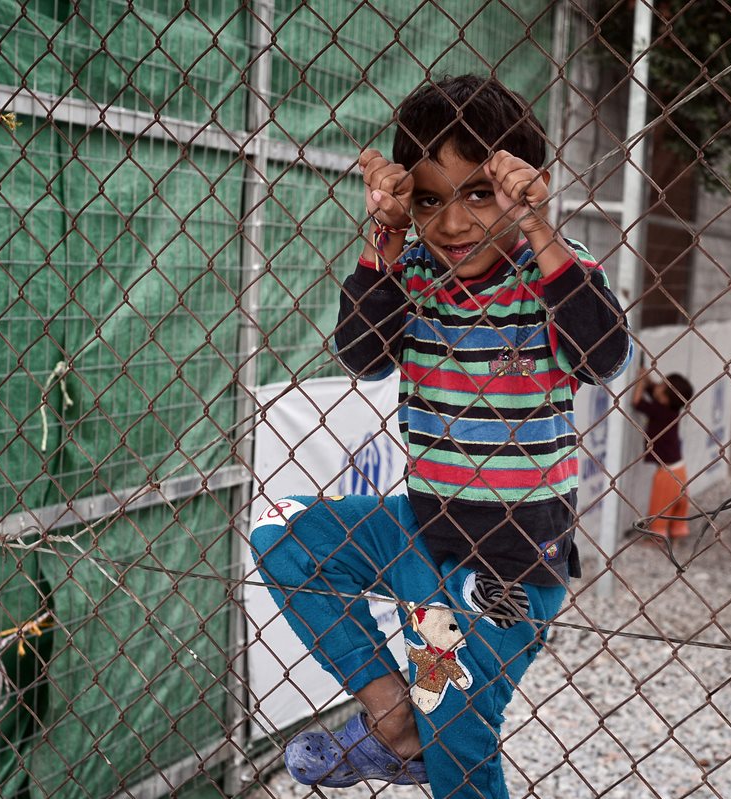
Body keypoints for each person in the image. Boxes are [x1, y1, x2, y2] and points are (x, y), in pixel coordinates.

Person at [249, 74, 631, 798]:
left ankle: (420, 730)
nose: (452, 222)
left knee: (457, 753)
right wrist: (387, 237)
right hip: (423, 530)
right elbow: (363, 355)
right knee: (282, 536)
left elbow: (604, 356)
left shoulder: (552, 272)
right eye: (430, 199)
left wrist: (542, 231)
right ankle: (393, 722)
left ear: (527, 189)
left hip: (505, 567)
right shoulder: (413, 268)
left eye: (479, 193)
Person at [631, 357, 694, 540]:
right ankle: (677, 531)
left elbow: (637, 402)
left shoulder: (661, 412)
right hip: (679, 469)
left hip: (666, 473)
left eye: (662, 385)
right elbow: (653, 390)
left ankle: (656, 537)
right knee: (677, 508)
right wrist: (647, 381)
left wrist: (640, 382)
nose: (657, 385)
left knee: (660, 505)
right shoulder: (671, 411)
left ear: (665, 398)